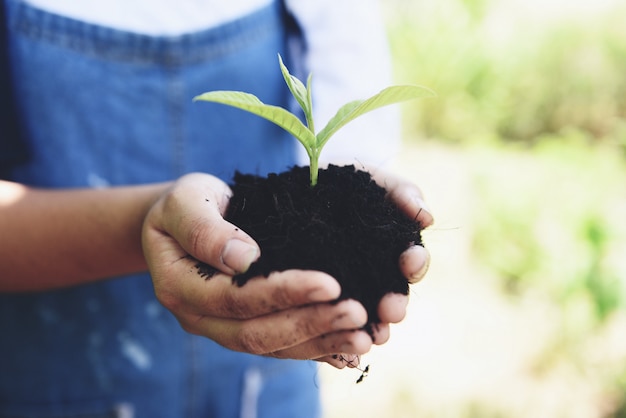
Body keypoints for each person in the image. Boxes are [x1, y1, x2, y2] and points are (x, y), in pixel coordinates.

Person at [0, 0, 433, 417]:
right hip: (60, 369)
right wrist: (147, 221)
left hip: (271, 368)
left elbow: (346, 66)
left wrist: (356, 190)